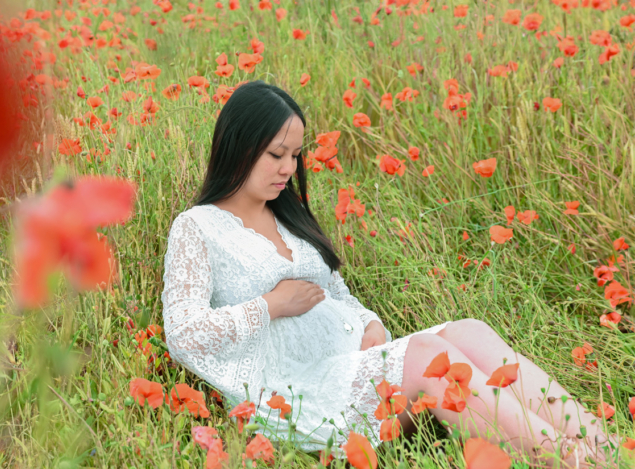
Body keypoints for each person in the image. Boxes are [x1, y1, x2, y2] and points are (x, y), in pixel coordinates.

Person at [160, 80, 615, 467]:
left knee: (469, 332)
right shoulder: (198, 228)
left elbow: (336, 291)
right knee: (428, 355)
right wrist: (271, 306)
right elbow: (182, 333)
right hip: (295, 393)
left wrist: (369, 321)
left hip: (350, 361)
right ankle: (566, 459)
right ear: (238, 145)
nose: (290, 168)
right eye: (277, 154)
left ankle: (603, 446)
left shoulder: (287, 215)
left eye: (296, 155)